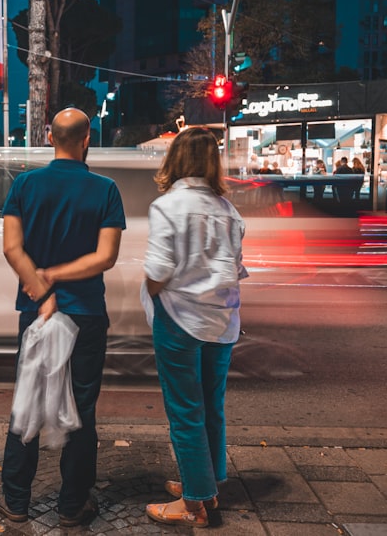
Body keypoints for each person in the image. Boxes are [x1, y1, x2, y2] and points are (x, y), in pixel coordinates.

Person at [0, 107, 126, 527]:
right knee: (82, 410)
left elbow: (12, 249)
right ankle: (72, 506)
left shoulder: (25, 185)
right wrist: (60, 278)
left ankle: (15, 503)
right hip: (85, 312)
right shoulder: (106, 189)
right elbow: (106, 257)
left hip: (37, 314)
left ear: (49, 137)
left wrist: (42, 287)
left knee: (27, 404)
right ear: (87, 139)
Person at [140, 127, 248, 528]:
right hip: (222, 320)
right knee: (210, 407)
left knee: (185, 412)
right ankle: (207, 483)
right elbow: (236, 267)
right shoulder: (228, 210)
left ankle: (194, 503)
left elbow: (158, 270)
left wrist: (150, 293)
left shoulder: (167, 206)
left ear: (176, 160)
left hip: (181, 318)